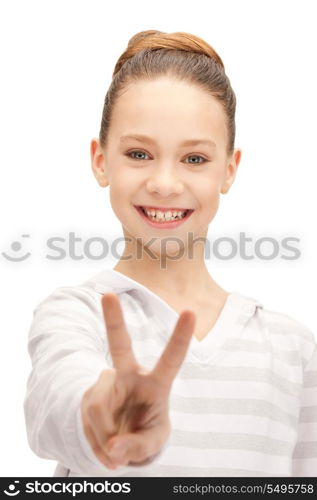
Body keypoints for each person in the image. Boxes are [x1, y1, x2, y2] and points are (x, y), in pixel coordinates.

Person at [23, 30, 317, 477]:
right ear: (101, 161)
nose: (164, 183)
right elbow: (57, 400)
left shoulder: (293, 350)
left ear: (229, 169)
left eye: (194, 159)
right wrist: (107, 413)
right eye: (139, 153)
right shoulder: (75, 315)